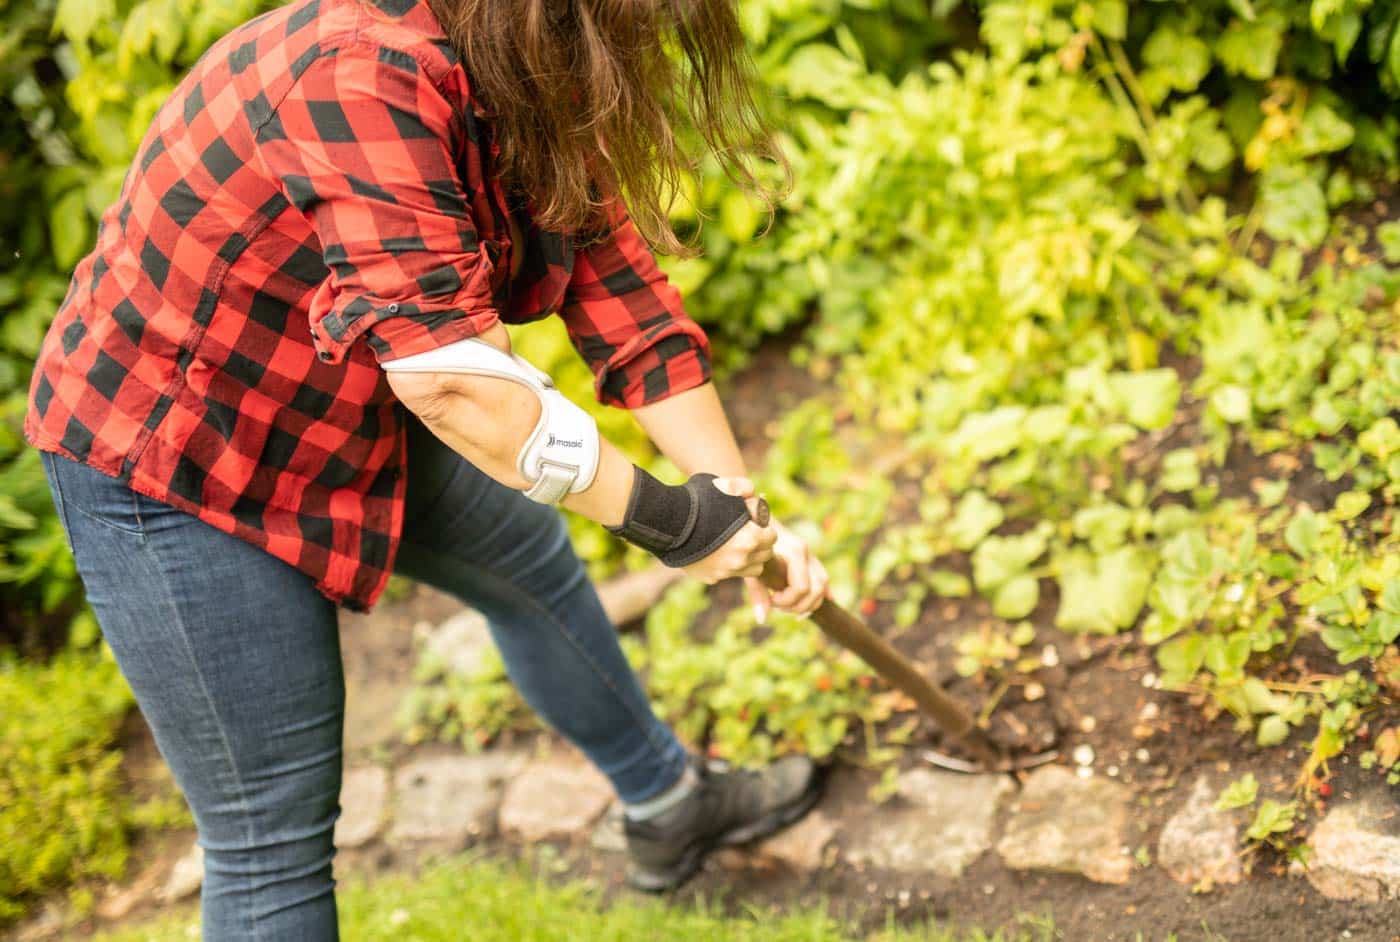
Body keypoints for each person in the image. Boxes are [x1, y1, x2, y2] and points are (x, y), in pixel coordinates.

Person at [24, 0, 831, 936]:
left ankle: (665, 804)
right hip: (174, 464)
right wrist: (673, 525)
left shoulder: (521, 60)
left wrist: (738, 514)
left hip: (344, 415)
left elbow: (627, 304)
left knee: (529, 566)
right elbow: (454, 388)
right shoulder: (360, 72)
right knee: (269, 844)